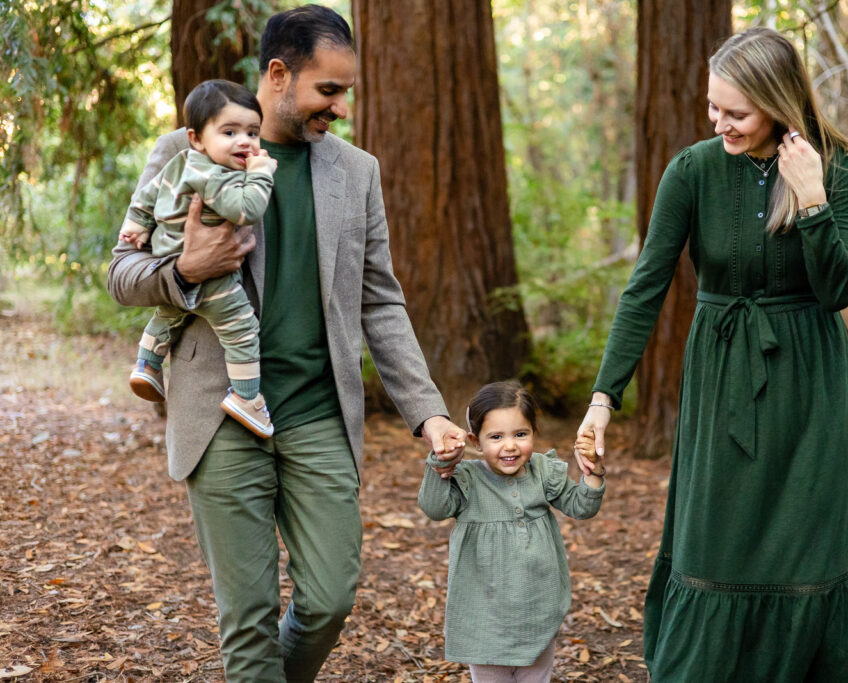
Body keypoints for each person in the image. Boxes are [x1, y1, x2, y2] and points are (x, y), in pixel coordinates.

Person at [106, 5, 467, 681]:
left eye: (345, 92)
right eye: (327, 90)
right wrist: (186, 269)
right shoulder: (184, 154)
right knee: (247, 623)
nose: (338, 106)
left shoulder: (357, 172)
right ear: (279, 74)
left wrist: (429, 410)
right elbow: (122, 275)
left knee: (329, 598)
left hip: (317, 416)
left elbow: (380, 300)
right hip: (219, 415)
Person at [574, 27, 848, 682]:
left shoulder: (838, 165)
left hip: (814, 385)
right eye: (713, 108)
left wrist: (812, 199)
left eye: (735, 112)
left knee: (807, 548)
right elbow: (645, 287)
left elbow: (838, 289)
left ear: (778, 101)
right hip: (723, 371)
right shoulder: (693, 169)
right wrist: (602, 399)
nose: (719, 122)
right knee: (714, 540)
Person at [119, 79, 278, 437]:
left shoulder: (180, 164)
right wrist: (261, 174)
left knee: (170, 312)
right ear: (196, 138)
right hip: (212, 278)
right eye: (230, 132)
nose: (245, 142)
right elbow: (245, 209)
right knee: (241, 329)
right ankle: (246, 397)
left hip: (169, 256)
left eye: (253, 132)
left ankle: (147, 363)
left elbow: (147, 196)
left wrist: (136, 227)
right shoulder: (213, 174)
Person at [418, 382, 606, 683]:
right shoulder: (466, 477)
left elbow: (581, 506)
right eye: (496, 436)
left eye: (521, 434)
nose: (510, 446)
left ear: (533, 432)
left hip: (536, 606)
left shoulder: (542, 471)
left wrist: (593, 471)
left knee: (536, 674)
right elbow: (434, 508)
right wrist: (440, 462)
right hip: (485, 613)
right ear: (475, 441)